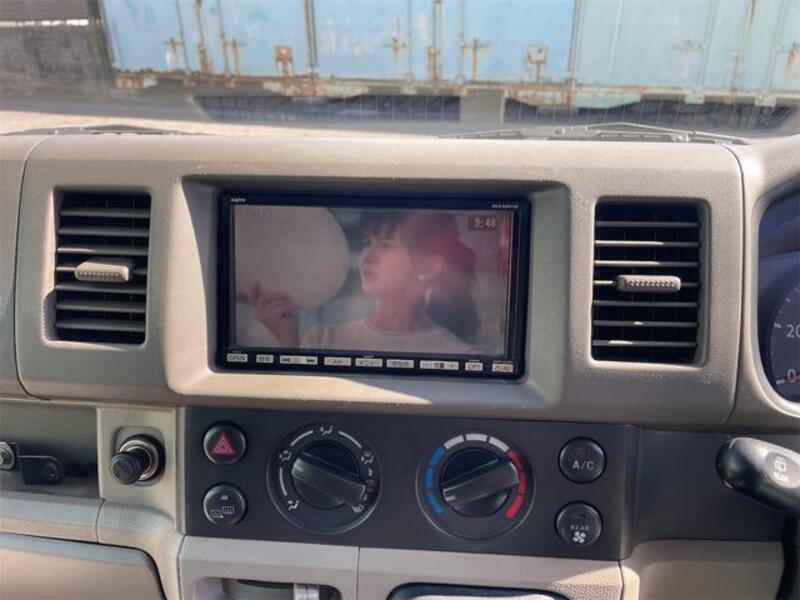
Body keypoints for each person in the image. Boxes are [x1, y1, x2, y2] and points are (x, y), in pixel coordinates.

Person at [248, 210, 480, 354]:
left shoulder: (462, 356)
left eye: (386, 245)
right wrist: (287, 341)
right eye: (367, 243)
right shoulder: (323, 338)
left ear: (429, 266)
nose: (367, 256)